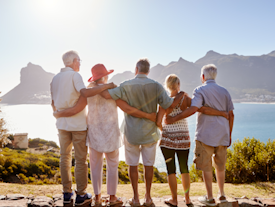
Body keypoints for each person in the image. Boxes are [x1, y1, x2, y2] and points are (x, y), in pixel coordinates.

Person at [54, 63, 156, 206]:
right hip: (111, 134)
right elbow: (125, 106)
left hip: (94, 133)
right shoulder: (113, 89)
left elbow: (79, 107)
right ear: (106, 75)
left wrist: (60, 113)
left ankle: (97, 198)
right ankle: (113, 198)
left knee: (95, 166)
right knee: (112, 166)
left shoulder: (88, 90)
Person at [97, 58, 185, 207]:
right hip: (150, 132)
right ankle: (148, 198)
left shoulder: (126, 85)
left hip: (131, 132)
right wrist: (180, 95)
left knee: (133, 165)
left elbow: (106, 95)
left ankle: (136, 198)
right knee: (148, 165)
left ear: (136, 69)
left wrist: (107, 85)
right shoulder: (156, 86)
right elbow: (168, 104)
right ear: (148, 70)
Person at [50, 51, 116, 206]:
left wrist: (58, 114)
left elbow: (53, 102)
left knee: (64, 157)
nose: (80, 63)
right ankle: (81, 195)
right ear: (73, 61)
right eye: (79, 60)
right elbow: (85, 93)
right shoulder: (75, 76)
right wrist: (107, 85)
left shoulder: (54, 79)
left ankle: (67, 193)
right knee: (80, 160)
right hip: (78, 125)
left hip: (62, 125)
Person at [165, 64, 234, 206]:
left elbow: (194, 109)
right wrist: (230, 134)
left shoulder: (200, 90)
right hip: (223, 134)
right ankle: (221, 195)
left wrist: (173, 119)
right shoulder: (225, 91)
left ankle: (210, 197)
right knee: (220, 166)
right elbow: (231, 114)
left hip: (205, 135)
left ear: (203, 77)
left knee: (206, 166)